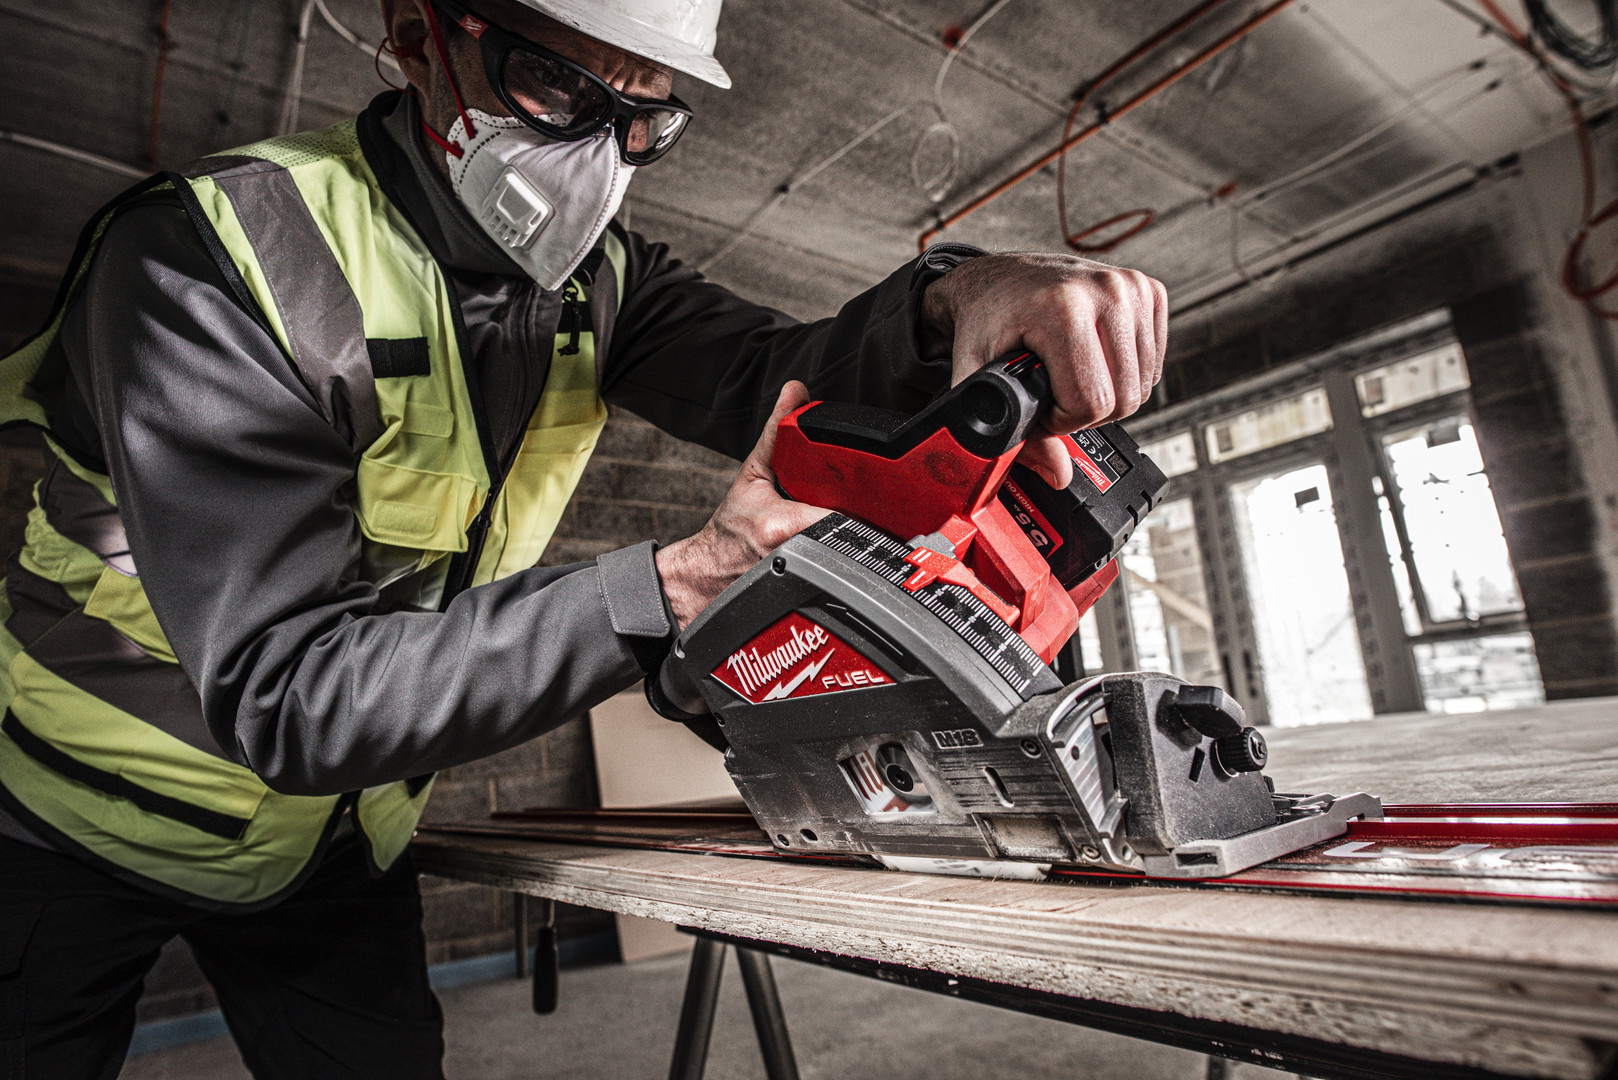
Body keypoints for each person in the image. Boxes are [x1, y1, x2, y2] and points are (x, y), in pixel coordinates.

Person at [0, 0, 1168, 1075]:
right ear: (418, 37)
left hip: (332, 839)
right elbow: (289, 694)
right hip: (77, 820)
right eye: (557, 87)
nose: (597, 155)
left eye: (642, 113)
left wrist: (953, 298)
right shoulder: (217, 257)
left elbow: (780, 375)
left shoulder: (598, 285)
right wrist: (679, 583)